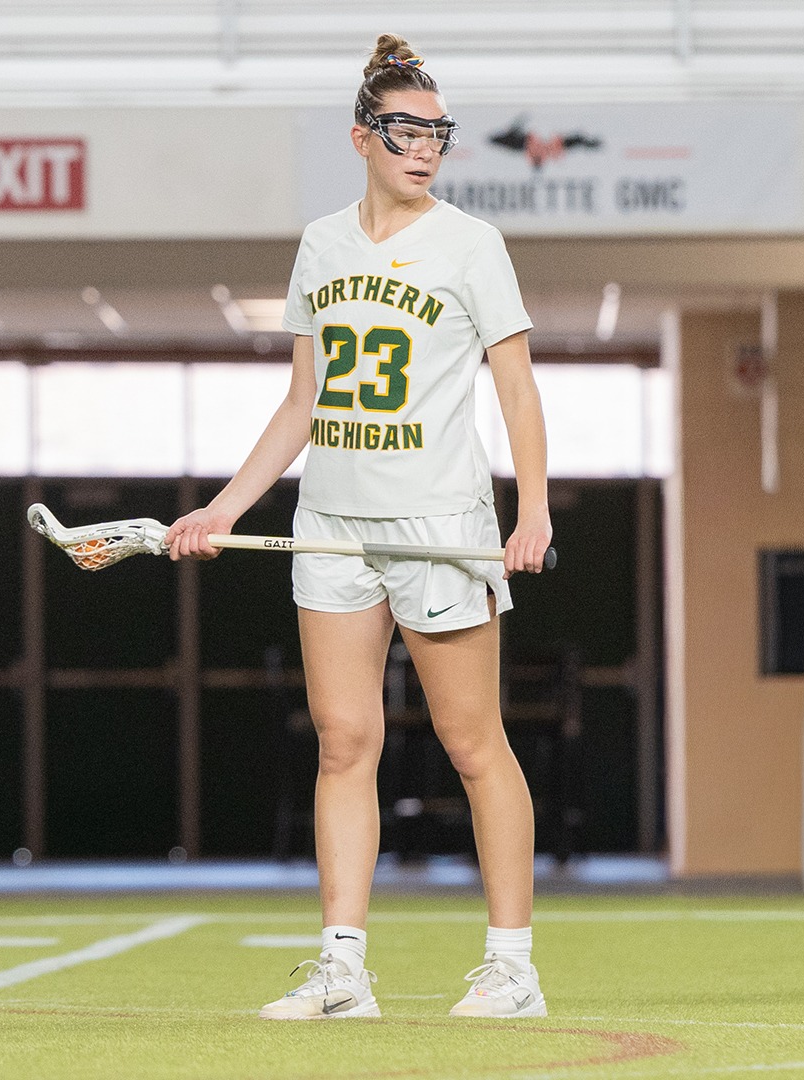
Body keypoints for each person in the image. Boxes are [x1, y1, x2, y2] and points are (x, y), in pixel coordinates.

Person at [166, 33, 552, 1021]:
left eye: (438, 132)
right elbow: (303, 402)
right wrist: (223, 508)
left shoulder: (472, 245)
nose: (424, 148)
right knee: (344, 741)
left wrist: (532, 508)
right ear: (362, 136)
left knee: (473, 743)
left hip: (439, 524)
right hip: (332, 526)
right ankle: (343, 972)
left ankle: (512, 968)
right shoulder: (322, 245)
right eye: (405, 130)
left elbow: (516, 386)